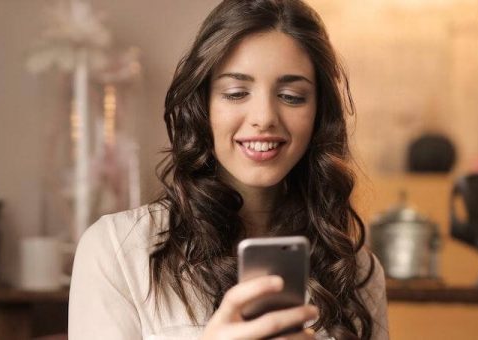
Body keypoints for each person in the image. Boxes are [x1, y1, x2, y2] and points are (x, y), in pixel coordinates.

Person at [68, 0, 389, 339]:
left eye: (292, 96)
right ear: (202, 106)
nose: (264, 117)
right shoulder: (118, 251)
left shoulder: (356, 271)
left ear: (318, 113)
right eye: (236, 93)